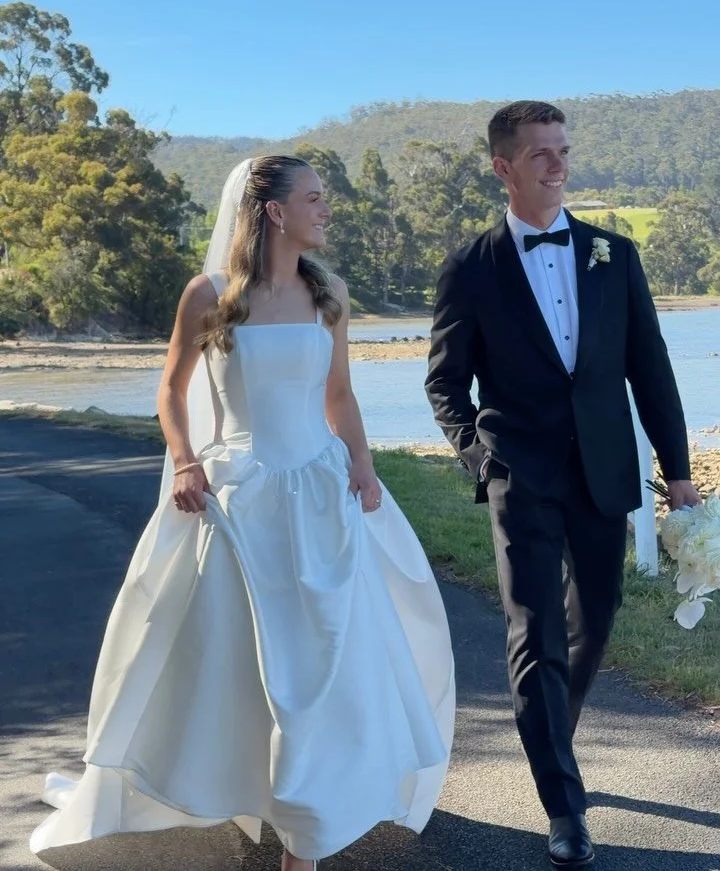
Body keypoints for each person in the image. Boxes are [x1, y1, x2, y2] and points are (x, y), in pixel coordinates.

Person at [31, 155, 455, 871]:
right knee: (251, 661)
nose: (327, 210)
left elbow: (340, 395)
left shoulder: (330, 294)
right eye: (315, 199)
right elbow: (171, 391)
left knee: (328, 652)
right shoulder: (210, 294)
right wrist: (188, 461)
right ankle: (256, 789)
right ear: (274, 212)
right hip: (239, 501)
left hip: (322, 494)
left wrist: (362, 463)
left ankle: (305, 832)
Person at [425, 102, 700, 868]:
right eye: (540, 153)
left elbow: (651, 368)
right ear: (503, 166)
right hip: (522, 473)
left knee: (598, 616)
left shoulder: (615, 254)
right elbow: (445, 383)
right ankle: (564, 804)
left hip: (607, 470)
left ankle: (554, 735)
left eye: (562, 149)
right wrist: (479, 458)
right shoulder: (470, 268)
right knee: (533, 629)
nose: (557, 163)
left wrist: (678, 472)